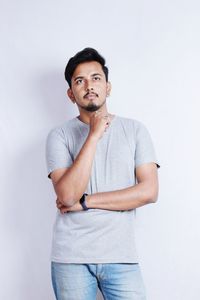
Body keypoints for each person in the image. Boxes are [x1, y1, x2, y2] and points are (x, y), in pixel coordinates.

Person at [45, 47, 160, 300]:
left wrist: (85, 202)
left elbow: (149, 191)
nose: (89, 85)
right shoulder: (59, 136)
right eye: (79, 81)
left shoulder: (135, 130)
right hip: (71, 258)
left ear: (108, 86)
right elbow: (66, 195)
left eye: (96, 78)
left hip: (122, 256)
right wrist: (94, 135)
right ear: (70, 94)